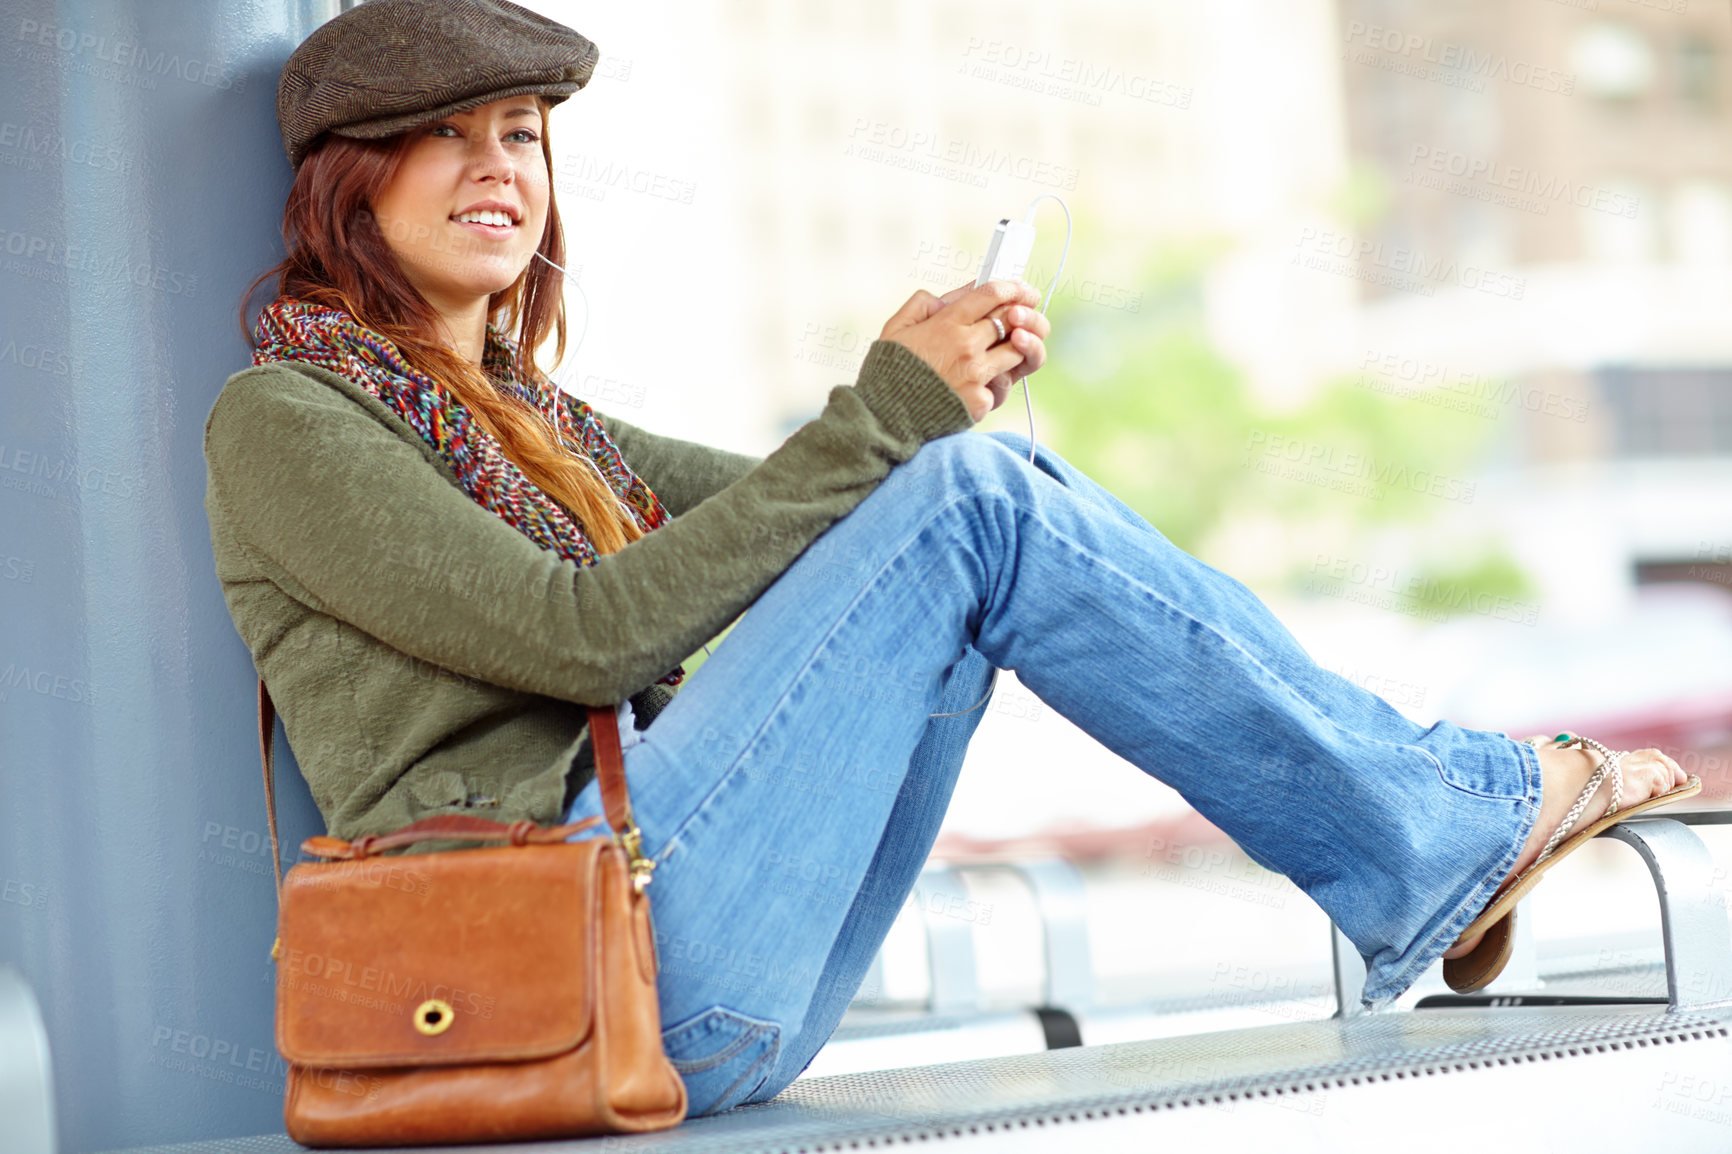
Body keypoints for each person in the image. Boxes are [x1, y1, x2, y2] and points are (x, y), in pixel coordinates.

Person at [203, 0, 1697, 1120]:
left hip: (684, 959)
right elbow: (584, 636)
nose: (497, 166)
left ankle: (1427, 830)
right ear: (347, 178)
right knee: (960, 497)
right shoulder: (284, 419)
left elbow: (843, 516)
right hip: (580, 958)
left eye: (521, 133)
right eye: (444, 133)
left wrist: (937, 387)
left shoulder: (536, 421)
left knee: (959, 492)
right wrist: (900, 422)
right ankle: (1438, 829)